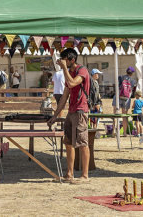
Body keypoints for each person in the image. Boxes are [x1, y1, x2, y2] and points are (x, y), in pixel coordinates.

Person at [48, 48, 90, 184]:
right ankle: (69, 173)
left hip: (81, 110)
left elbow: (72, 83)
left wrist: (65, 69)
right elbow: (64, 96)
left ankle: (85, 175)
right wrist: (55, 116)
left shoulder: (82, 71)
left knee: (83, 143)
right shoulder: (69, 73)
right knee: (68, 143)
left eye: (65, 60)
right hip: (71, 112)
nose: (62, 62)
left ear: (72, 60)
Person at [112, 67, 135, 137]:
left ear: (126, 71)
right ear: (132, 73)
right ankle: (125, 133)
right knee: (124, 116)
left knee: (115, 115)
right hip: (126, 99)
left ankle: (113, 131)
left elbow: (116, 86)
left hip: (118, 97)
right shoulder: (133, 81)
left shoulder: (120, 78)